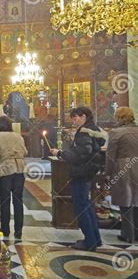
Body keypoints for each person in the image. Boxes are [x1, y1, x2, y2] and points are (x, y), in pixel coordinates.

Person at [51, 107, 107, 251]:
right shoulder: (95, 129)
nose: (74, 121)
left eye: (75, 117)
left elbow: (82, 154)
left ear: (83, 116)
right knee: (87, 206)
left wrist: (60, 153)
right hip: (90, 172)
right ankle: (96, 238)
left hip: (81, 173)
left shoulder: (83, 132)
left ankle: (89, 241)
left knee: (81, 207)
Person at [0, 116, 28, 239]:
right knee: (18, 200)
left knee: (5, 201)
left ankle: (5, 229)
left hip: (5, 170)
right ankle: (19, 231)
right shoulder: (18, 136)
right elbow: (25, 152)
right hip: (19, 170)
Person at [105, 107, 138, 243]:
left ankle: (127, 234)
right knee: (136, 201)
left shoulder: (116, 133)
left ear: (119, 118)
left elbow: (110, 155)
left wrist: (108, 173)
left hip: (124, 167)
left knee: (126, 201)